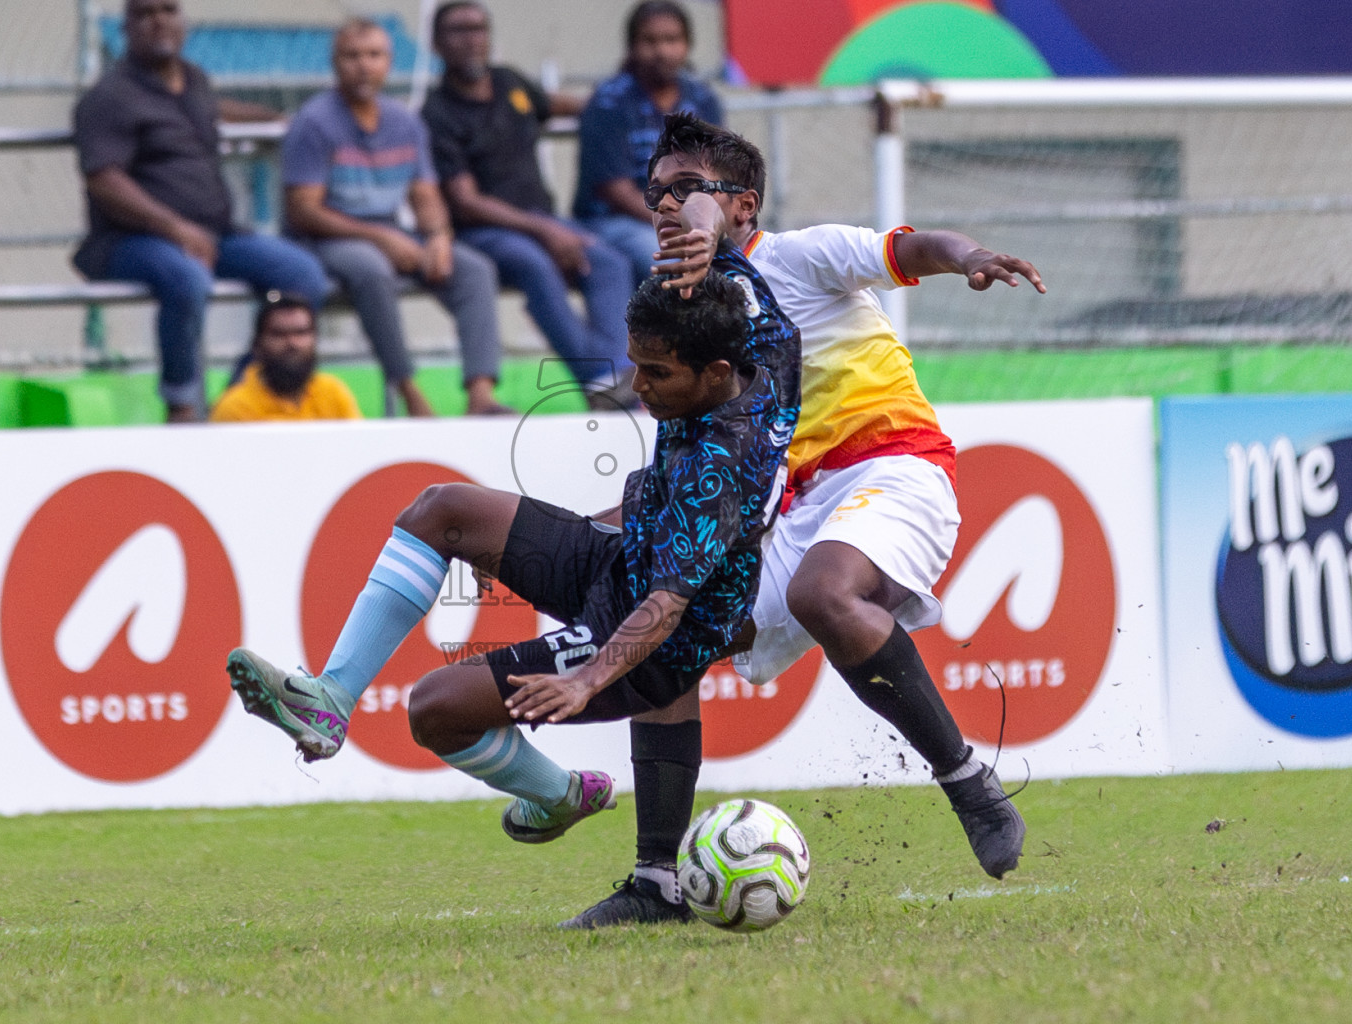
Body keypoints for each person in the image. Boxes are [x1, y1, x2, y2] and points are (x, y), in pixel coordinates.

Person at [559, 113, 1047, 928]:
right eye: (656, 195)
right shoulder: (685, 311)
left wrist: (971, 258)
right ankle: (656, 883)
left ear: (743, 204)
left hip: (896, 465)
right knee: (669, 639)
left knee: (827, 593)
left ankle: (968, 782)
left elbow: (910, 248)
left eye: (687, 190)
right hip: (794, 506)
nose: (668, 208)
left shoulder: (796, 255)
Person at [226, 251, 801, 856]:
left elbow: (664, 605)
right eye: (635, 365)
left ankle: (560, 794)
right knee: (442, 510)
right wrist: (704, 232)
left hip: (641, 640)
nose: (638, 385)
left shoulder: (717, 467)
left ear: (713, 373)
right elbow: (740, 256)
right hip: (614, 558)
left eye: (655, 373)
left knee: (435, 708)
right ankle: (329, 701)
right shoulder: (766, 352)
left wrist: (586, 680)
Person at [71, 0, 333, 423]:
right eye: (145, 12)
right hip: (132, 240)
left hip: (216, 234)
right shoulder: (109, 97)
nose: (159, 20)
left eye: (169, 9)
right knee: (187, 278)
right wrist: (174, 228)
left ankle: (238, 398)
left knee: (303, 274)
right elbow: (103, 179)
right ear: (126, 26)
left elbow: (218, 109)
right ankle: (183, 405)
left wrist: (287, 122)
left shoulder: (193, 81)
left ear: (183, 19)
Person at [283, 18, 511, 418]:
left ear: (388, 62)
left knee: (474, 269)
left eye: (374, 55)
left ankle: (481, 394)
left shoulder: (404, 121)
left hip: (389, 229)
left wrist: (438, 235)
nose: (363, 66)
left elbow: (425, 193)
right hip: (326, 236)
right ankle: (408, 390)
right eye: (352, 56)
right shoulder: (314, 121)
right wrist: (381, 239)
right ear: (335, 63)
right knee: (372, 270)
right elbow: (303, 210)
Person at [421, 0, 637, 405]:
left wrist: (611, 103)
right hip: (480, 230)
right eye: (458, 30)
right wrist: (545, 231)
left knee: (610, 262)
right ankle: (602, 381)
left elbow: (554, 104)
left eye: (479, 28)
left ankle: (619, 374)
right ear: (436, 43)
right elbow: (466, 201)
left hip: (539, 218)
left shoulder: (509, 83)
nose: (472, 40)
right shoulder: (437, 112)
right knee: (537, 266)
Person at [574, 1, 725, 287]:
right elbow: (615, 191)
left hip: (687, 221)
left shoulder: (702, 99)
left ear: (687, 45)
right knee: (674, 261)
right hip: (614, 222)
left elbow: (716, 175)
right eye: (650, 41)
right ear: (632, 46)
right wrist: (680, 224)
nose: (662, 51)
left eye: (672, 40)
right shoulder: (609, 102)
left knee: (747, 258)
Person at [210, 291, 361, 423]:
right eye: (279, 334)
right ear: (257, 345)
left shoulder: (333, 393)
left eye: (301, 332)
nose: (292, 343)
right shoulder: (236, 407)